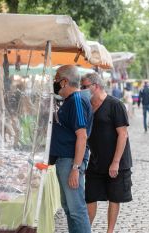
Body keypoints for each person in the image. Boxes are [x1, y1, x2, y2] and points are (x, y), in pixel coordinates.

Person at [83, 73, 133, 233]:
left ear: (95, 86)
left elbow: (123, 134)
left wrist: (116, 161)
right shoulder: (87, 106)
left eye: (85, 87)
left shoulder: (115, 105)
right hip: (96, 160)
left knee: (114, 197)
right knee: (90, 196)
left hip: (116, 161)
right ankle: (85, 229)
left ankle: (109, 231)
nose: (82, 90)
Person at [49, 65, 93, 233]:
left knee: (77, 210)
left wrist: (76, 167)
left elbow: (82, 136)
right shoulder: (70, 101)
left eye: (56, 79)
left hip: (70, 161)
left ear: (65, 81)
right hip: (64, 160)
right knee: (69, 208)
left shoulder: (76, 100)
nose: (54, 82)